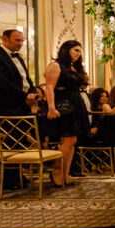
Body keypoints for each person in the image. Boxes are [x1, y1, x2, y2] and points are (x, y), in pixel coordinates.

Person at [0, 28, 37, 189]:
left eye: (22, 41)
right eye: (17, 40)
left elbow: (26, 79)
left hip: (22, 106)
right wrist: (24, 96)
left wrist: (33, 92)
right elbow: (1, 82)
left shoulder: (19, 59)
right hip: (6, 107)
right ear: (5, 39)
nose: (21, 44)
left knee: (19, 143)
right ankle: (8, 180)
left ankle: (18, 176)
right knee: (9, 144)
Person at [44, 40, 90, 187]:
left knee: (72, 142)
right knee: (67, 141)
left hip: (76, 104)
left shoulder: (73, 67)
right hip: (64, 105)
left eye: (79, 51)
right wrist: (51, 107)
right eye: (76, 50)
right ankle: (57, 173)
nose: (79, 53)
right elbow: (49, 87)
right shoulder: (55, 65)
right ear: (67, 49)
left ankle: (65, 174)